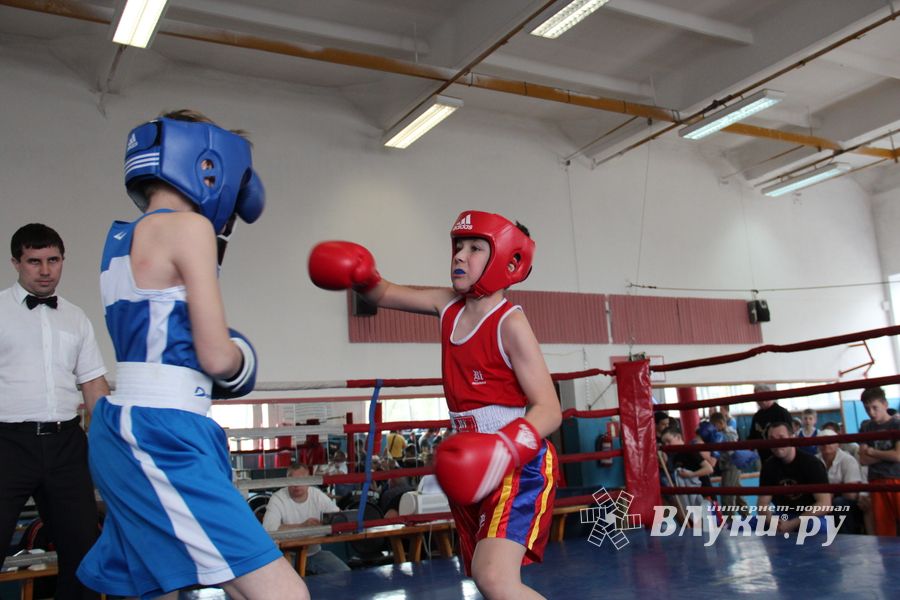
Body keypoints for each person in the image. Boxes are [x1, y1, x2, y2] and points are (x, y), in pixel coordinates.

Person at [76, 110, 308, 599]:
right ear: (207, 165)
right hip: (164, 433)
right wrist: (242, 359)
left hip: (129, 425)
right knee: (285, 594)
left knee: (167, 588)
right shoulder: (190, 229)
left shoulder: (119, 238)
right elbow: (217, 356)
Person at [308, 210, 561, 600]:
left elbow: (548, 408)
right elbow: (383, 293)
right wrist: (361, 275)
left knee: (494, 577)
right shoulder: (448, 304)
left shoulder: (509, 323)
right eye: (458, 246)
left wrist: (502, 447)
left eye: (476, 248)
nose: (460, 255)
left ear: (508, 260)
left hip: (515, 461)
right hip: (469, 461)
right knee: (485, 578)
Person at [0, 223, 110, 600]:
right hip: (8, 444)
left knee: (82, 549)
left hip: (66, 443)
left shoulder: (76, 318)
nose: (45, 270)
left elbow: (94, 385)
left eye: (53, 260)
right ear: (16, 262)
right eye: (34, 261)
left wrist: (112, 444)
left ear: (63, 260)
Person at [262, 463, 351, 574]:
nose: (296, 485)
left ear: (309, 481)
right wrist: (302, 527)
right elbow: (269, 530)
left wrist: (328, 525)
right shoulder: (277, 498)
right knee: (286, 585)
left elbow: (339, 517)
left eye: (301, 480)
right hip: (286, 555)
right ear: (286, 481)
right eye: (292, 481)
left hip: (315, 553)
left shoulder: (317, 495)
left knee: (345, 575)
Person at [756, 422, 831, 534]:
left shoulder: (812, 464)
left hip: (808, 517)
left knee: (815, 526)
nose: (777, 443)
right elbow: (762, 504)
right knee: (743, 525)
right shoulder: (768, 466)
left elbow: (824, 504)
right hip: (782, 517)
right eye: (772, 438)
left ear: (792, 438)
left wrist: (793, 524)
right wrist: (773, 522)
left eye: (781, 438)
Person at [857, 387, 900, 536]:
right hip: (876, 481)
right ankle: (888, 560)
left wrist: (872, 452)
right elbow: (863, 459)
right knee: (884, 529)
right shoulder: (866, 427)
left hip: (897, 479)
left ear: (885, 404)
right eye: (867, 408)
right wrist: (887, 454)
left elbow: (898, 456)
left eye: (875, 407)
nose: (871, 412)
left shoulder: (897, 424)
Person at [817, 429, 864, 533]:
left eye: (830, 441)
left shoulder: (848, 460)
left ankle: (848, 536)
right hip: (822, 499)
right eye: (822, 441)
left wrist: (831, 494)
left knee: (839, 503)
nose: (825, 444)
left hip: (846, 503)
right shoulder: (814, 461)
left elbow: (851, 495)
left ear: (837, 444)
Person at [661, 427, 713, 519]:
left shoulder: (690, 450)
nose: (667, 445)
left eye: (669, 441)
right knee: (697, 527)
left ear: (678, 437)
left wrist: (691, 474)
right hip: (690, 495)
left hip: (704, 494)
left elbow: (709, 469)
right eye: (664, 443)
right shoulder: (674, 456)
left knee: (708, 525)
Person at [747, 384, 792, 463]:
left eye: (760, 397)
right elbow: (753, 436)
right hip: (764, 457)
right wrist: (745, 449)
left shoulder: (781, 413)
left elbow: (790, 435)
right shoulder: (757, 416)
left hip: (781, 455)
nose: (758, 401)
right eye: (757, 398)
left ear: (768, 395)